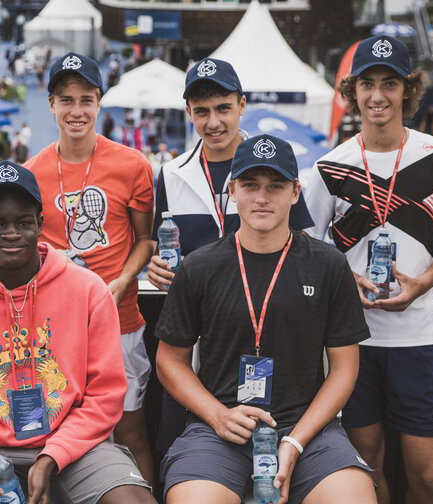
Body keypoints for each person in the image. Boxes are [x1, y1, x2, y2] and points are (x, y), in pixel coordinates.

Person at [0, 162, 156, 504]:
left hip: (79, 448)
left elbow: (105, 396)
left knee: (133, 500)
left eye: (24, 222)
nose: (11, 233)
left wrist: (52, 455)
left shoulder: (89, 291)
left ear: (41, 225)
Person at [303, 35, 433, 504]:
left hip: (418, 338)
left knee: (427, 477)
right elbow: (306, 243)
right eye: (367, 84)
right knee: (366, 465)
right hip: (351, 342)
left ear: (408, 90)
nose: (377, 95)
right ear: (352, 91)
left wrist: (422, 283)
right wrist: (343, 279)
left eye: (389, 83)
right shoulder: (328, 165)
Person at [156, 134, 376, 504]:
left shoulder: (328, 265)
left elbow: (344, 369)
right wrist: (218, 416)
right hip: (218, 430)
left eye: (275, 186)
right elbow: (169, 360)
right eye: (250, 185)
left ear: (295, 192)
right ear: (232, 190)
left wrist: (294, 440)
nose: (261, 197)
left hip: (308, 430)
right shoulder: (200, 266)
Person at [148, 58, 315, 462]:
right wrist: (152, 266)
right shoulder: (171, 174)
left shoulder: (273, 164)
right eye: (202, 111)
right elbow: (161, 248)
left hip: (263, 335)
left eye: (223, 108)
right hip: (194, 338)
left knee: (266, 452)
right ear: (189, 113)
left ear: (242, 105)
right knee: (179, 446)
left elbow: (302, 245)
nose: (213, 122)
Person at [23, 52, 157, 488]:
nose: (76, 111)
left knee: (131, 430)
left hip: (120, 321)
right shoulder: (32, 173)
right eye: (66, 100)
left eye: (86, 99)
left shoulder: (133, 164)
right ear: (51, 104)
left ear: (100, 102)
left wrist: (121, 282)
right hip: (55, 330)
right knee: (56, 435)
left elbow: (145, 240)